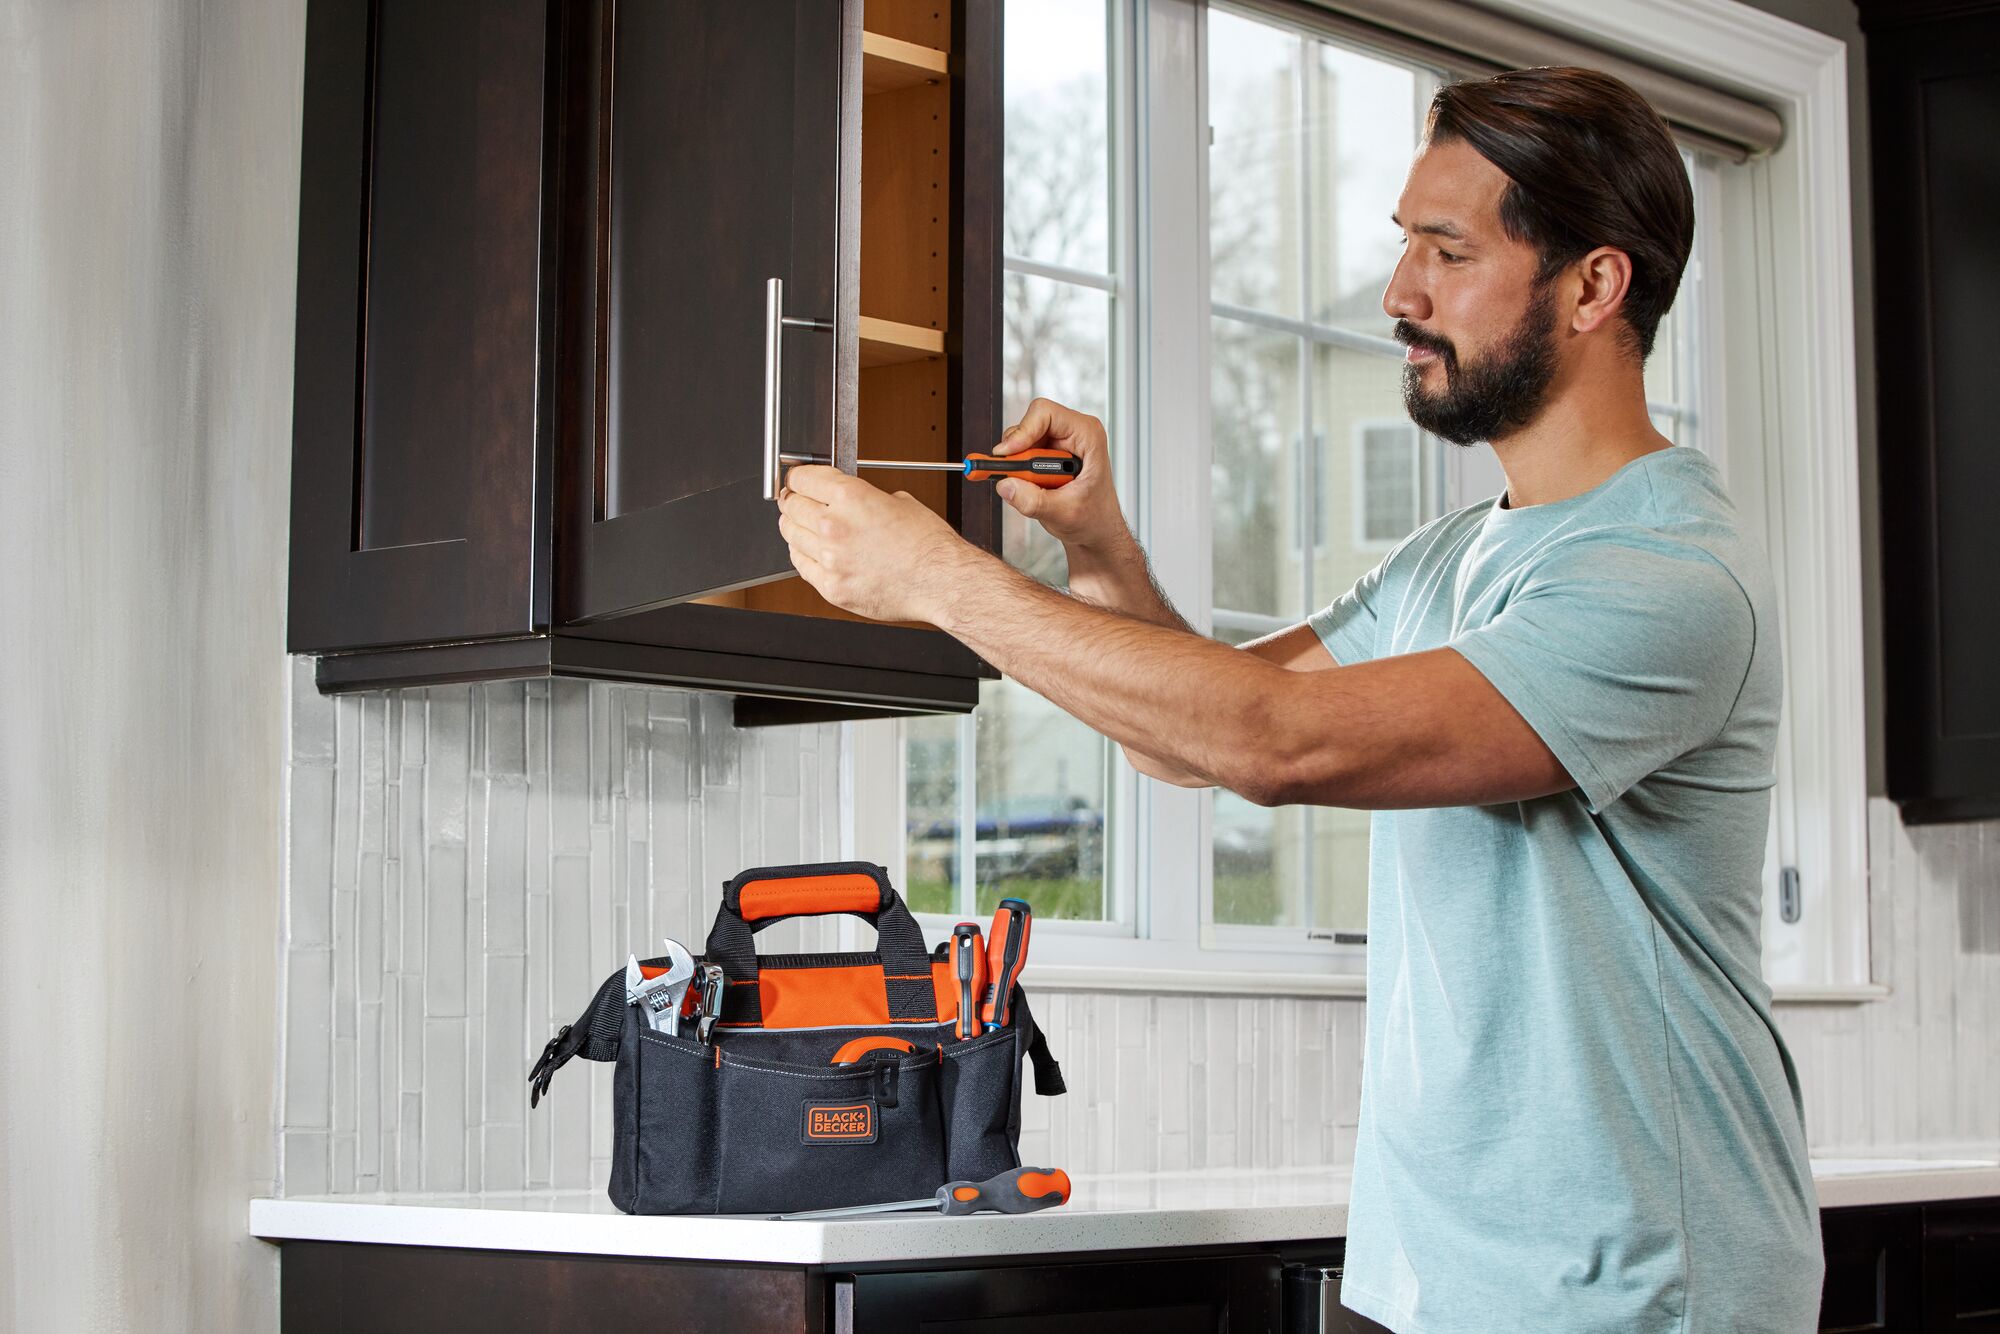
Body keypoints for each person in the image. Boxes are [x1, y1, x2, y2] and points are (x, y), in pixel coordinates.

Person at [776, 65, 1822, 1333]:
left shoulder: (1666, 576)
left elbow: (1274, 742)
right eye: (1402, 247)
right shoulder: (1450, 559)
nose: (1398, 295)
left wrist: (940, 579)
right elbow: (1201, 736)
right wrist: (1097, 548)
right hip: (1432, 1279)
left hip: (1641, 1290)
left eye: (1446, 251)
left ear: (1593, 285)